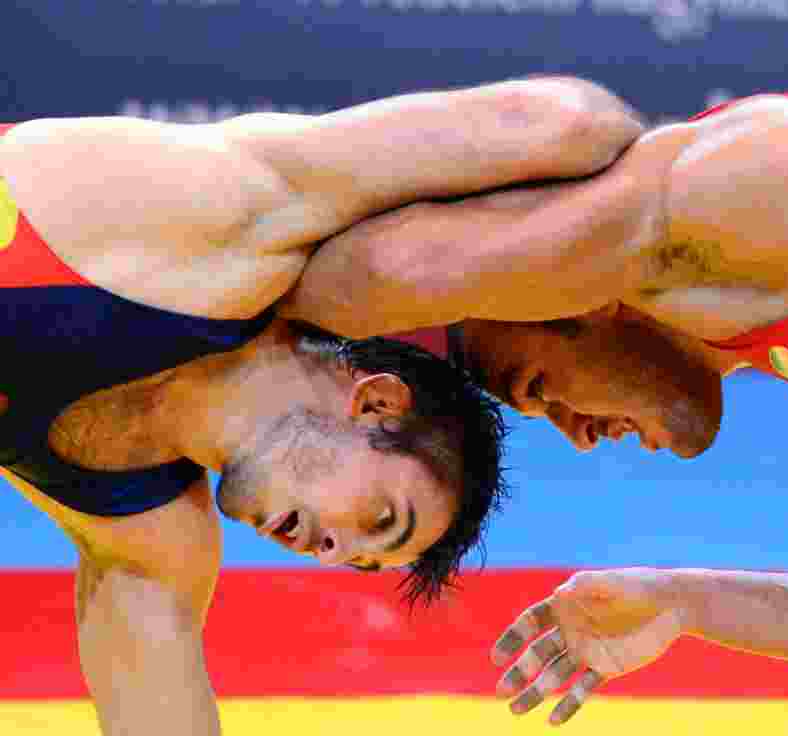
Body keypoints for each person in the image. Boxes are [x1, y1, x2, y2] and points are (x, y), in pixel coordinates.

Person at [287, 88, 788, 724]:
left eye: (539, 388)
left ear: (573, 294)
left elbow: (369, 273)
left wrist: (206, 336)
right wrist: (681, 601)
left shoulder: (750, 186)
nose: (576, 436)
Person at [0, 76, 644, 736]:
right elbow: (572, 121)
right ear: (376, 403)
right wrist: (649, 333)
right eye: (380, 519)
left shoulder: (149, 544)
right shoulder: (220, 228)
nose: (332, 553)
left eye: (359, 558)